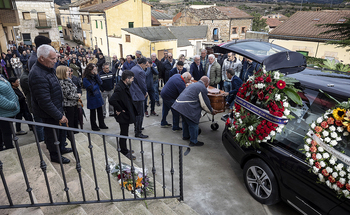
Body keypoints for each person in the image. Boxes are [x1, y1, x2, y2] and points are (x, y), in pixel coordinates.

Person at [29, 44, 72, 164]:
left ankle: (61, 148)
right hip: (49, 113)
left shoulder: (47, 68)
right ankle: (55, 155)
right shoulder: (38, 74)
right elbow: (44, 101)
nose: (55, 61)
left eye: (55, 58)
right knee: (52, 134)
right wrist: (59, 115)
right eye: (52, 59)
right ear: (42, 58)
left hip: (57, 107)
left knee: (61, 131)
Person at [172, 76, 215, 146]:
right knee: (194, 123)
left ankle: (185, 136)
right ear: (206, 83)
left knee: (185, 121)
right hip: (187, 106)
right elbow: (205, 103)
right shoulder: (202, 88)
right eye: (208, 84)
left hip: (179, 105)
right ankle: (193, 141)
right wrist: (211, 111)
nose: (207, 86)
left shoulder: (193, 84)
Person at [109, 70, 137, 160]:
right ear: (127, 79)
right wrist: (120, 109)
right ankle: (123, 151)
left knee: (125, 132)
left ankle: (124, 148)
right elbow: (112, 100)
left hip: (125, 113)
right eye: (132, 79)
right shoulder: (120, 88)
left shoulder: (124, 85)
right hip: (123, 115)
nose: (132, 80)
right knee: (124, 133)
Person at [83, 63, 108, 131]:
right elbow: (91, 88)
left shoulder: (95, 76)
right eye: (93, 70)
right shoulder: (85, 79)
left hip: (98, 96)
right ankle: (94, 126)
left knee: (100, 111)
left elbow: (100, 82)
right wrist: (97, 85)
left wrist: (97, 75)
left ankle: (102, 124)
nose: (95, 71)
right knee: (93, 113)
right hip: (92, 97)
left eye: (95, 69)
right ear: (89, 70)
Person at [56, 66, 81, 136]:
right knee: (70, 121)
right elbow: (68, 94)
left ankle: (75, 133)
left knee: (75, 119)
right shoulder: (62, 82)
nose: (69, 73)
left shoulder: (67, 80)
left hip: (73, 103)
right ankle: (71, 135)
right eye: (67, 71)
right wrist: (77, 96)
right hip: (68, 105)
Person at [130, 57, 148, 138]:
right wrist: (145, 92)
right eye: (146, 65)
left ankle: (137, 128)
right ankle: (138, 132)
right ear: (142, 64)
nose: (146, 67)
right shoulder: (141, 71)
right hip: (138, 95)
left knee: (136, 113)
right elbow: (142, 85)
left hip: (133, 94)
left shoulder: (133, 68)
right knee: (140, 114)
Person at [0, 75, 20, 151]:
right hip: (4, 113)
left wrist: (15, 97)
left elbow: (9, 90)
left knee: (6, 132)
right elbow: (1, 100)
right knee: (7, 132)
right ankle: (10, 149)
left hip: (7, 112)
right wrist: (13, 105)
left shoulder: (1, 77)